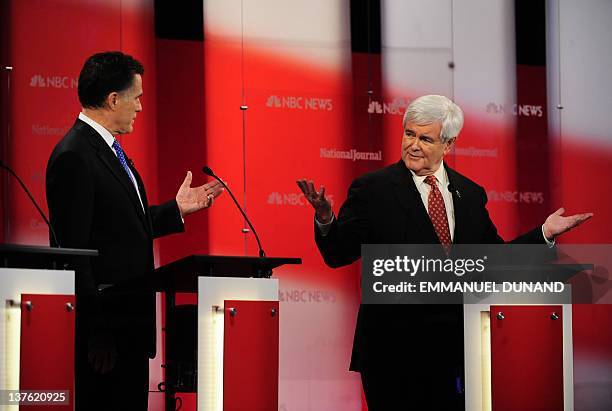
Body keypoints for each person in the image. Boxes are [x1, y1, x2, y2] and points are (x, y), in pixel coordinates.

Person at [296, 94, 592, 410]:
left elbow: (495, 261)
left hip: (455, 354)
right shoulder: (372, 190)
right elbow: (338, 254)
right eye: (409, 133)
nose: (413, 145)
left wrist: (544, 233)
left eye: (425, 138)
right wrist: (326, 219)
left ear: (447, 144)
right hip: (393, 355)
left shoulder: (470, 194)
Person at [46, 51, 224, 410]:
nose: (141, 107)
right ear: (113, 99)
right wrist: (97, 334)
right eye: (137, 97)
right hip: (106, 339)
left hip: (128, 331)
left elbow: (119, 228)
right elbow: (73, 253)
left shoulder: (106, 150)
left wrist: (176, 210)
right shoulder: (75, 155)